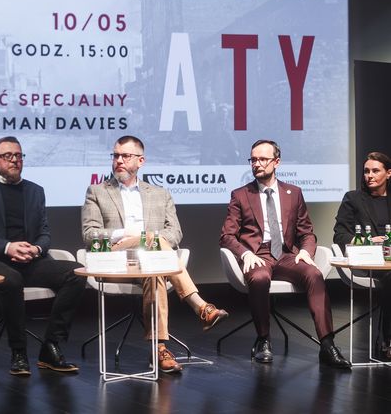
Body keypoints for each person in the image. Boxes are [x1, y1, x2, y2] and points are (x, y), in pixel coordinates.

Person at [82, 135, 229, 373]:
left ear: (140, 161)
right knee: (153, 240)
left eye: (125, 156)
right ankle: (200, 306)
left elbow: (175, 233)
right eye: (116, 155)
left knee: (155, 268)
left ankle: (158, 349)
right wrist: (128, 234)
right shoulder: (97, 191)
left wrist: (149, 241)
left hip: (150, 261)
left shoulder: (160, 193)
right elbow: (90, 234)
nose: (119, 160)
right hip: (116, 260)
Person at [0, 136, 86, 376]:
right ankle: (18, 352)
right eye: (8, 156)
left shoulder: (35, 191)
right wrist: (7, 247)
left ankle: (51, 346)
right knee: (11, 280)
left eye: (18, 155)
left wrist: (36, 249)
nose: (14, 160)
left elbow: (44, 233)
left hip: (31, 260)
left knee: (76, 272)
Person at [220, 139, 350, 368]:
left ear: (276, 162)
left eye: (263, 159)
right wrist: (245, 254)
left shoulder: (293, 193)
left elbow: (306, 232)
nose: (257, 164)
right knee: (259, 278)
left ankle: (327, 344)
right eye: (253, 159)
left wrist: (306, 252)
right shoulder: (241, 194)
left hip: (287, 254)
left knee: (314, 274)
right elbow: (227, 236)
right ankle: (263, 339)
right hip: (258, 255)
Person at [333, 151, 391, 358]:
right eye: (366, 171)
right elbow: (340, 234)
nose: (369, 176)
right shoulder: (353, 199)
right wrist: (367, 241)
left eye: (375, 171)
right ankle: (388, 339)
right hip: (369, 262)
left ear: (388, 173)